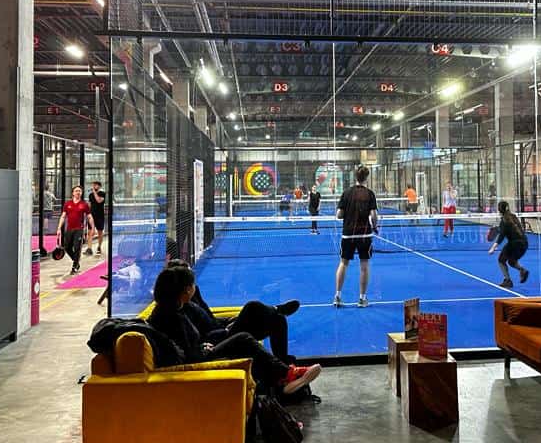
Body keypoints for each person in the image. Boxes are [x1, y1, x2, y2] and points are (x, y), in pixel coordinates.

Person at [147, 264, 319, 392]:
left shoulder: (175, 309)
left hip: (210, 340)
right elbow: (188, 355)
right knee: (247, 325)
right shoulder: (170, 316)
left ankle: (286, 372)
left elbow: (198, 332)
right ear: (185, 290)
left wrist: (219, 330)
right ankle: (286, 373)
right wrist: (204, 346)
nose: (195, 287)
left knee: (277, 320)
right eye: (192, 285)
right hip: (204, 355)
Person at [166, 258, 300, 362]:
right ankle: (277, 308)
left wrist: (228, 321)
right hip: (219, 339)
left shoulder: (192, 296)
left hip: (219, 329)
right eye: (190, 276)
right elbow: (198, 338)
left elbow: (208, 318)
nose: (193, 278)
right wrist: (225, 330)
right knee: (252, 307)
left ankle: (283, 363)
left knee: (278, 320)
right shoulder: (178, 311)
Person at [334, 165, 378, 308]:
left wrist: (348, 213)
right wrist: (375, 226)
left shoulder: (346, 193)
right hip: (365, 235)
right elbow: (374, 215)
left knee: (343, 263)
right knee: (364, 266)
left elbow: (339, 215)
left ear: (355, 177)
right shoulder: (370, 194)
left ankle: (338, 297)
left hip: (348, 235)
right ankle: (362, 299)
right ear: (366, 178)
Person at [487, 201, 529, 288]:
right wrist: (499, 229)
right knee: (511, 261)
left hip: (514, 244)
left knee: (501, 260)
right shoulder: (513, 216)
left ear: (499, 210)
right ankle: (522, 270)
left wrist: (493, 248)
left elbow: (501, 236)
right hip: (524, 243)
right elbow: (511, 229)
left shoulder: (504, 221)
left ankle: (508, 281)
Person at [58, 186, 95, 276]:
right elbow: (63, 216)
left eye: (80, 191)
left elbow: (89, 217)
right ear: (73, 193)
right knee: (67, 247)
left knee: (77, 247)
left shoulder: (84, 204)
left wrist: (93, 228)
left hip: (79, 229)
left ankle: (74, 266)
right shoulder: (67, 204)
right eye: (76, 191)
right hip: (69, 229)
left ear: (81, 193)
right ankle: (76, 261)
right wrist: (59, 228)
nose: (78, 192)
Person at [85, 181, 106, 256]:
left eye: (95, 185)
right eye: (93, 185)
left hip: (100, 216)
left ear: (99, 186)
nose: (94, 186)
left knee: (100, 232)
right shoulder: (90, 195)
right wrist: (88, 213)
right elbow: (89, 205)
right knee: (90, 232)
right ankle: (89, 249)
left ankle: (99, 246)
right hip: (92, 215)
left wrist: (94, 192)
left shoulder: (102, 193)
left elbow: (99, 200)